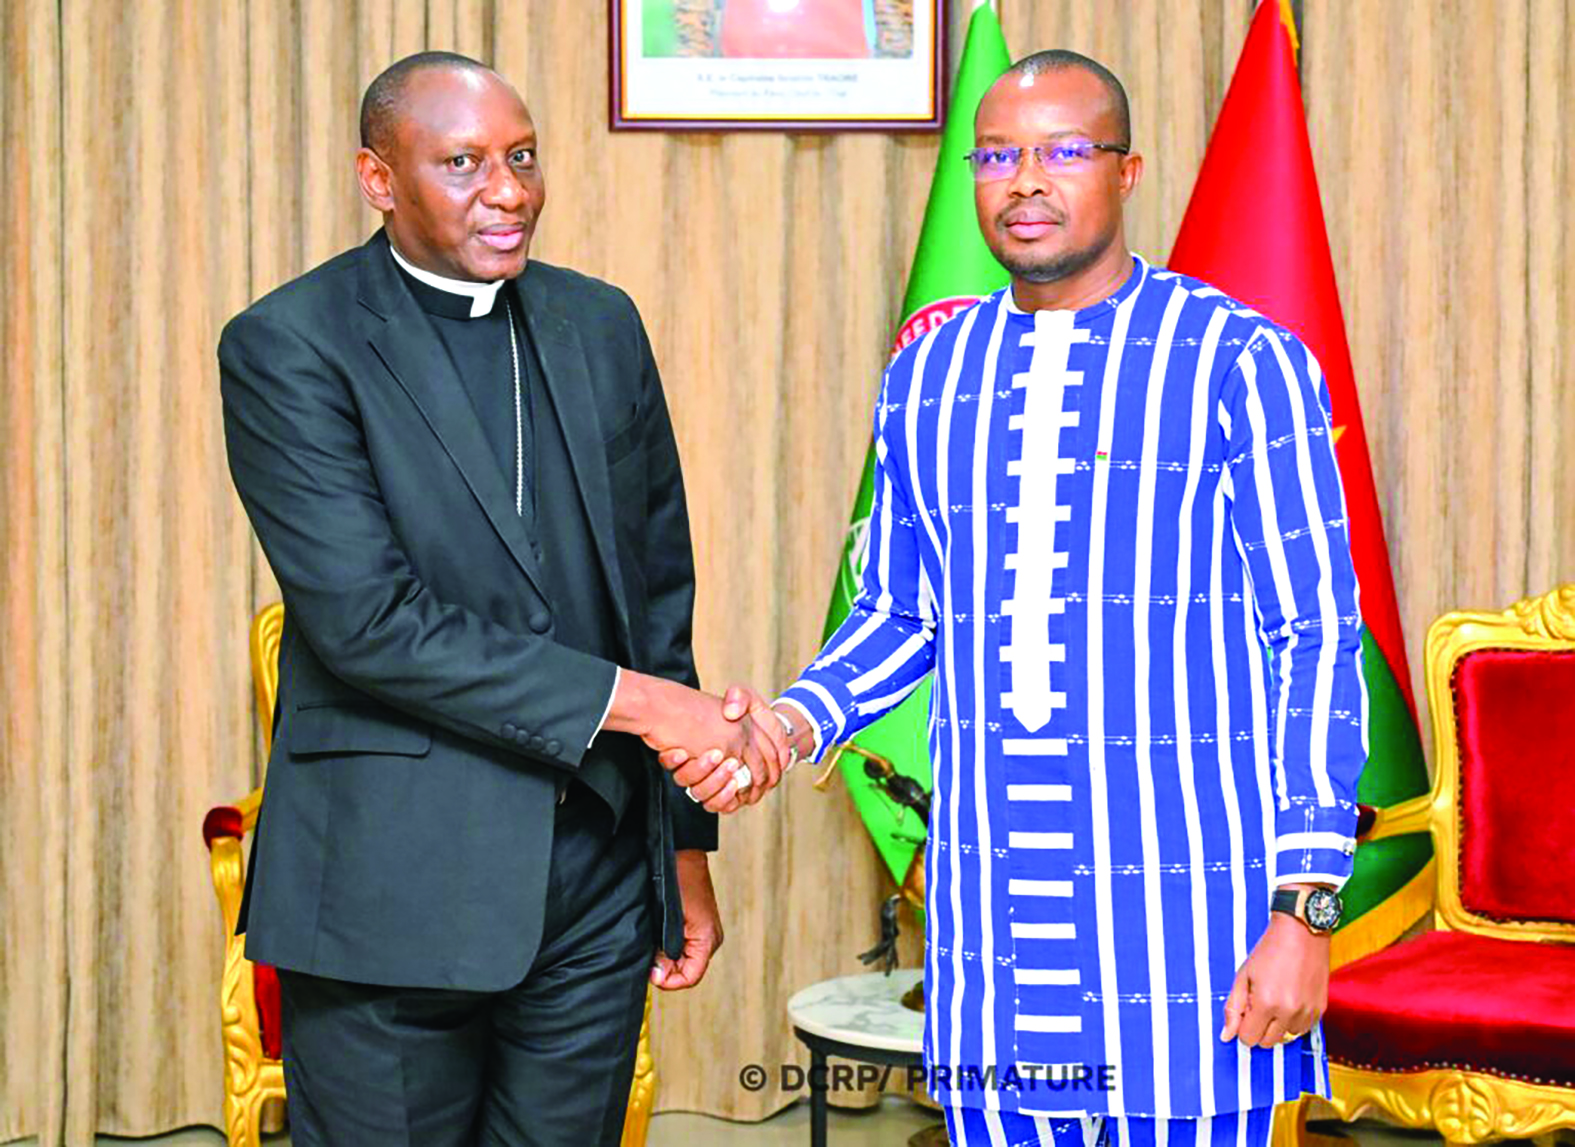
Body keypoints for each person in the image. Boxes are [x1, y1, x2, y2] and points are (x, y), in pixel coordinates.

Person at [695, 49, 1367, 1147]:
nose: (1026, 181)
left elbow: (1315, 639)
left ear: (1127, 171)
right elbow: (901, 610)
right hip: (995, 919)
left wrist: (1305, 910)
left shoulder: (1239, 360)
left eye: (1062, 152)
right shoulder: (929, 372)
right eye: (997, 156)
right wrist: (790, 720)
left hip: (1189, 920)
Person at [218, 51, 786, 1146]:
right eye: (464, 163)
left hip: (594, 883)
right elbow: (370, 623)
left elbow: (655, 599)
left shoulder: (600, 324)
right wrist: (648, 706)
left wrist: (681, 854)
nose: (509, 191)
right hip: (390, 888)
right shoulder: (289, 344)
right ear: (378, 180)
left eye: (522, 158)